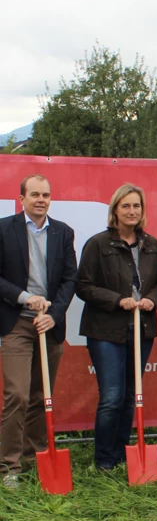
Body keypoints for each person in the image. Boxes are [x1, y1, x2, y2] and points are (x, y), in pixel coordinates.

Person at [77, 184, 157, 471]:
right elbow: (83, 286)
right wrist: (118, 300)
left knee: (131, 395)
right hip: (105, 330)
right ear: (115, 210)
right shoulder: (98, 243)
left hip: (141, 329)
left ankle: (120, 455)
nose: (132, 211)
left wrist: (152, 300)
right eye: (126, 206)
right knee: (112, 396)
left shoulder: (151, 244)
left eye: (137, 206)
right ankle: (104, 460)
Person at [0, 174, 77, 489]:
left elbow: (70, 279)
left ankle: (33, 459)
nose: (41, 199)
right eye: (34, 194)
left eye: (46, 194)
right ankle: (9, 467)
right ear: (22, 199)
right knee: (16, 394)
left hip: (50, 324)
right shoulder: (4, 229)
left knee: (38, 394)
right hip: (16, 320)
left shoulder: (63, 232)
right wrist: (23, 297)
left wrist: (55, 315)